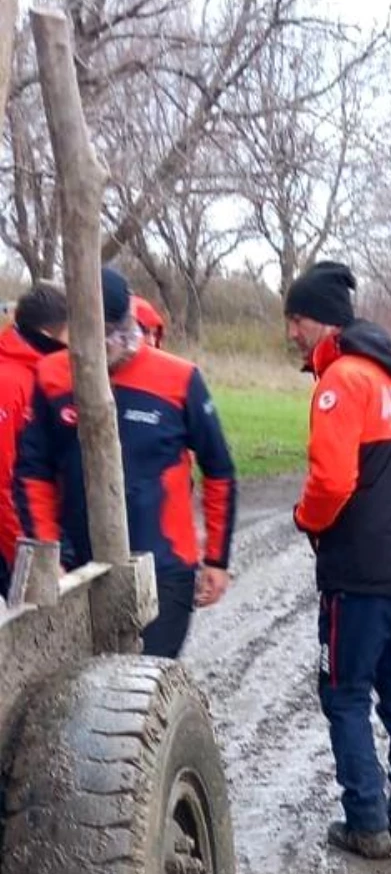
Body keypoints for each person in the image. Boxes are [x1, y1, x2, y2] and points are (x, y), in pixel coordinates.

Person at [286, 259, 391, 860]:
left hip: (358, 576)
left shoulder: (341, 383)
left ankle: (366, 822)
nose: (291, 334)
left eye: (296, 320)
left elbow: (329, 483)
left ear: (322, 323)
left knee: (344, 692)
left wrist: (307, 520)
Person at [15, 266, 235, 657]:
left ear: (126, 325)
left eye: (110, 338)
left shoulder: (179, 378)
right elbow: (34, 473)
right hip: (79, 568)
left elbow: (219, 469)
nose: (102, 350)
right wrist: (49, 555)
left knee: (143, 688)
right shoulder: (51, 376)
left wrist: (217, 559)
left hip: (163, 566)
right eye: (88, 339)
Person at [0, 280, 68, 599]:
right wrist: (27, 558)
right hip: (12, 543)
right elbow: (2, 481)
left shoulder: (39, 374)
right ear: (49, 335)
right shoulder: (10, 383)